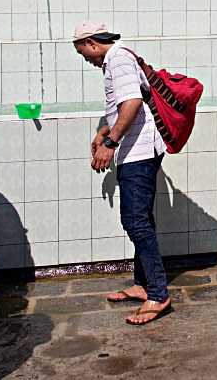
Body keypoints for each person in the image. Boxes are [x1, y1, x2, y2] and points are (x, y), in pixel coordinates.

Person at [73, 19, 172, 325]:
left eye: (83, 53)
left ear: (91, 42)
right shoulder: (116, 60)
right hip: (137, 151)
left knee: (135, 221)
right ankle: (143, 285)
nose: (86, 60)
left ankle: (159, 294)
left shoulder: (118, 58)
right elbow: (126, 106)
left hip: (139, 154)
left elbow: (132, 103)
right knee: (141, 219)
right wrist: (105, 128)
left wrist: (110, 143)